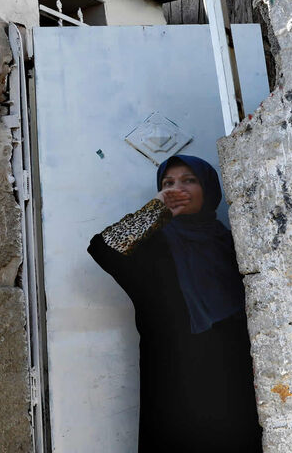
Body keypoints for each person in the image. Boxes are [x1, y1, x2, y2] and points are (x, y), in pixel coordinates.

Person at [87, 155, 262, 452]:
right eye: (168, 183)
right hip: (175, 380)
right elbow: (104, 248)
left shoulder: (231, 243)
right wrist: (157, 209)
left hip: (233, 377)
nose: (177, 188)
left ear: (208, 188)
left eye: (189, 180)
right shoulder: (154, 246)